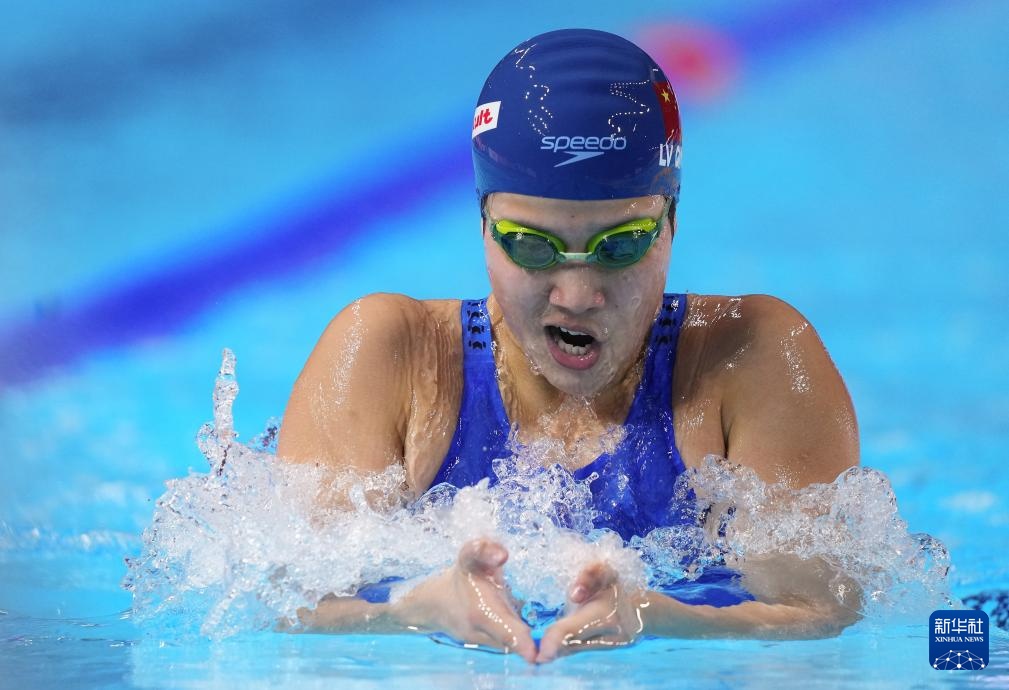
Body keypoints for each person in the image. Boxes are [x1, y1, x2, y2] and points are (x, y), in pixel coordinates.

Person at [276, 28, 860, 663]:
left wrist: (652, 613)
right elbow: (288, 603)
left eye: (621, 244)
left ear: (672, 222)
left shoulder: (753, 359)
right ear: (482, 224)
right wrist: (418, 606)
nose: (578, 295)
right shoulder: (391, 358)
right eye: (531, 245)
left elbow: (818, 611)